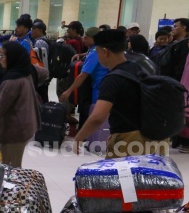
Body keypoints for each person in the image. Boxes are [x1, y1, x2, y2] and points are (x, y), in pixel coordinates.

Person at [73, 29, 168, 158]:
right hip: (155, 135)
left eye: (98, 51)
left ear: (105, 52)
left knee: (120, 177)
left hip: (130, 139)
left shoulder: (112, 79)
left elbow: (98, 117)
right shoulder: (139, 67)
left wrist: (79, 137)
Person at [0, 41, 42, 168]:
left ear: (13, 58)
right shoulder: (26, 71)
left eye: (2, 56)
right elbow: (45, 72)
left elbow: (0, 107)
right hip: (26, 126)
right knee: (13, 163)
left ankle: (15, 187)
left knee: (10, 166)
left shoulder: (12, 81)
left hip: (15, 130)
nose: (0, 60)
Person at [60, 27, 109, 106]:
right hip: (103, 84)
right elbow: (89, 53)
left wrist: (68, 91)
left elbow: (82, 75)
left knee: (95, 112)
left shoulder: (95, 53)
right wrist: (80, 54)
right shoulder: (99, 47)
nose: (83, 39)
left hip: (99, 87)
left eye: (86, 38)